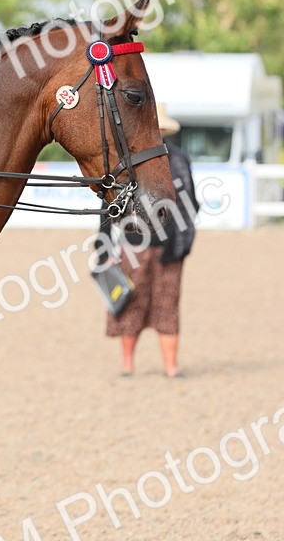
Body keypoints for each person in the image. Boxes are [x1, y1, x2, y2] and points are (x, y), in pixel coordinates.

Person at [106, 103, 199, 378]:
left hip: (158, 243)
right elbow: (110, 203)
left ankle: (165, 366)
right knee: (136, 304)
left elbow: (188, 204)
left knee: (164, 305)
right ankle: (132, 364)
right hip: (133, 242)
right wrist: (103, 245)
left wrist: (180, 244)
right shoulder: (128, 159)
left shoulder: (177, 159)